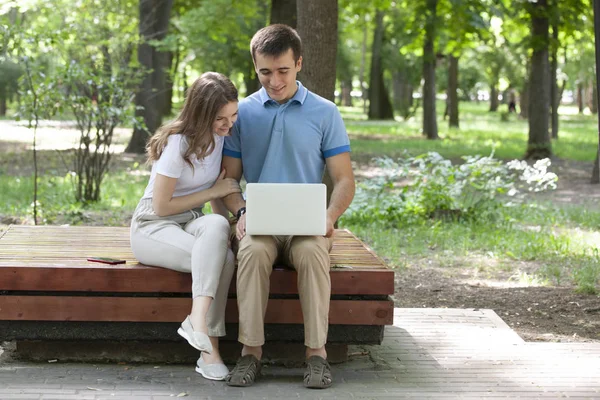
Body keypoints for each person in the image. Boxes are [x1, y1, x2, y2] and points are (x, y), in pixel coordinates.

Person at [221, 24, 356, 389]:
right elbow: (229, 180)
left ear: (298, 63)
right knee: (251, 253)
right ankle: (251, 353)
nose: (274, 81)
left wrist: (329, 217)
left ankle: (316, 356)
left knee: (313, 253)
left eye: (283, 70)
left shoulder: (325, 113)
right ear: (255, 68)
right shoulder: (242, 114)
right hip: (260, 224)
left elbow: (344, 179)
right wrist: (241, 212)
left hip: (306, 227)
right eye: (265, 72)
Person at [130, 72, 241, 381]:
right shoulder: (178, 143)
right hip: (153, 225)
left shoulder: (220, 140)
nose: (228, 125)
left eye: (233, 116)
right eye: (221, 118)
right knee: (221, 261)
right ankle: (209, 352)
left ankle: (198, 322)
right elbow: (161, 206)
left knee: (220, 235)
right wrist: (212, 194)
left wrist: (231, 222)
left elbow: (217, 202)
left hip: (189, 221)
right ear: (201, 113)